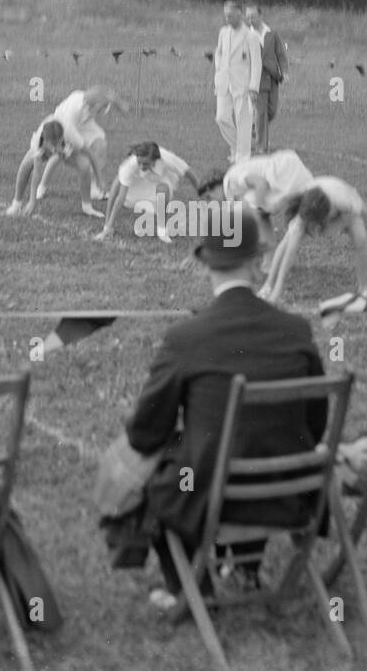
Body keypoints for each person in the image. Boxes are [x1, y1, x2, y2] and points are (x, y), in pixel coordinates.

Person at [118, 206, 328, 608]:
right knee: (252, 441)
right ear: (258, 261)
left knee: (163, 474)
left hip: (210, 496)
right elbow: (314, 426)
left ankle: (189, 588)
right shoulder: (296, 331)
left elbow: (145, 433)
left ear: (204, 261)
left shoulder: (187, 336)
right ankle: (246, 569)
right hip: (293, 493)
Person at [259, 176, 367, 307]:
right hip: (318, 204)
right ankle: (268, 285)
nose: (313, 232)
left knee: (361, 239)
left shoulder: (347, 202)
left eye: (314, 227)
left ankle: (363, 289)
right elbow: (290, 252)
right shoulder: (305, 204)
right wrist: (277, 289)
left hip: (343, 210)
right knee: (289, 239)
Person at [94, 142, 200, 244]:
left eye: (145, 164)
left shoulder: (167, 159)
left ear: (155, 160)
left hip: (158, 187)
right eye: (139, 163)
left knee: (163, 188)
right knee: (117, 182)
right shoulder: (130, 165)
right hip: (135, 188)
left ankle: (162, 230)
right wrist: (108, 226)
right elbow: (120, 198)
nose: (141, 166)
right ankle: (108, 228)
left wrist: (202, 192)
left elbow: (188, 173)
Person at [34, 87, 126, 203]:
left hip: (84, 124)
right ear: (91, 105)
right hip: (63, 125)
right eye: (100, 108)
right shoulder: (73, 110)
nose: (102, 111)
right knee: (60, 154)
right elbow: (72, 136)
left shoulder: (96, 99)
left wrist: (118, 103)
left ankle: (94, 189)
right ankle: (42, 186)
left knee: (100, 144)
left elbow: (111, 99)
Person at [4, 117, 105, 219]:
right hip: (47, 146)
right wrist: (32, 201)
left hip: (66, 146)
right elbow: (37, 173)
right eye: (53, 144)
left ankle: (87, 206)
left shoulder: (70, 133)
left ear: (62, 138)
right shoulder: (38, 140)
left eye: (58, 143)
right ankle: (16, 205)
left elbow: (90, 154)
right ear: (45, 139)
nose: (55, 147)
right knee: (26, 164)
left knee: (84, 165)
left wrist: (99, 179)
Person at [214, 0, 262, 164]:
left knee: (244, 122)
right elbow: (218, 52)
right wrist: (219, 68)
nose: (227, 19)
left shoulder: (251, 36)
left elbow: (257, 63)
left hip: (243, 85)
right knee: (221, 118)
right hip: (224, 82)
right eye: (226, 15)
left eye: (231, 15)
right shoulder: (223, 32)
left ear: (239, 14)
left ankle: (243, 158)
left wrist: (254, 87)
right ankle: (237, 147)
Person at [245, 3, 289, 153]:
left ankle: (253, 127)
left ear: (260, 16)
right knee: (262, 112)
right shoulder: (246, 36)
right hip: (256, 80)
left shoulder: (272, 33)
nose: (250, 20)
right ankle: (261, 147)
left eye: (253, 17)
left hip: (273, 78)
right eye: (248, 17)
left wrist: (285, 72)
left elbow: (281, 55)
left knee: (272, 111)